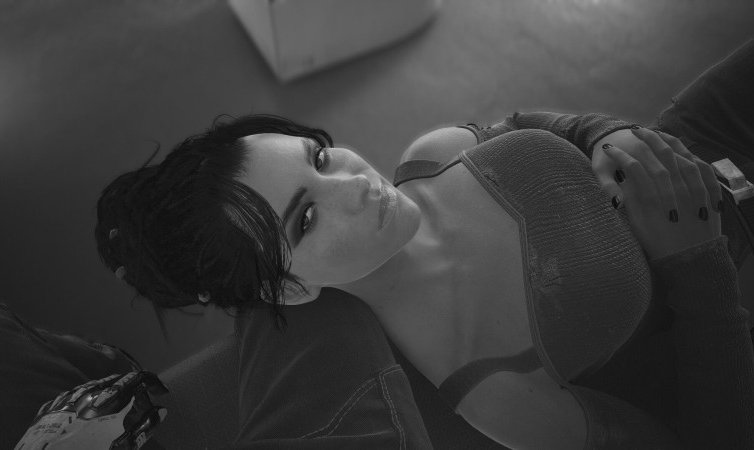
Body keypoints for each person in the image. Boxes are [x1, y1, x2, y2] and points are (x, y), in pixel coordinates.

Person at [91, 39, 754, 449]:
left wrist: (607, 134)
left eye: (319, 158)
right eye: (307, 218)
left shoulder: (433, 154)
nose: (354, 183)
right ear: (290, 289)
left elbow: (530, 124)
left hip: (696, 127)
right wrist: (697, 260)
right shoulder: (492, 389)